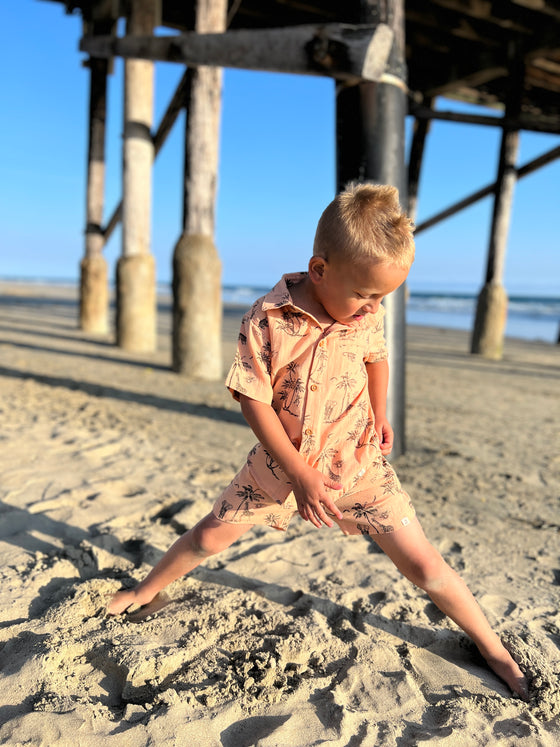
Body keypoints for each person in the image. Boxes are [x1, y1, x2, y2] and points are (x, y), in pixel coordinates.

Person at [107, 183, 528, 699]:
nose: (372, 308)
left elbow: (377, 357)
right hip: (280, 467)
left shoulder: (365, 314)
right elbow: (252, 399)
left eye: (382, 298)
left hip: (358, 463)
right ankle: (145, 589)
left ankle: (493, 647)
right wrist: (300, 473)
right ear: (320, 269)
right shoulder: (268, 319)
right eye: (365, 294)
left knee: (423, 564)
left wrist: (380, 411)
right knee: (209, 537)